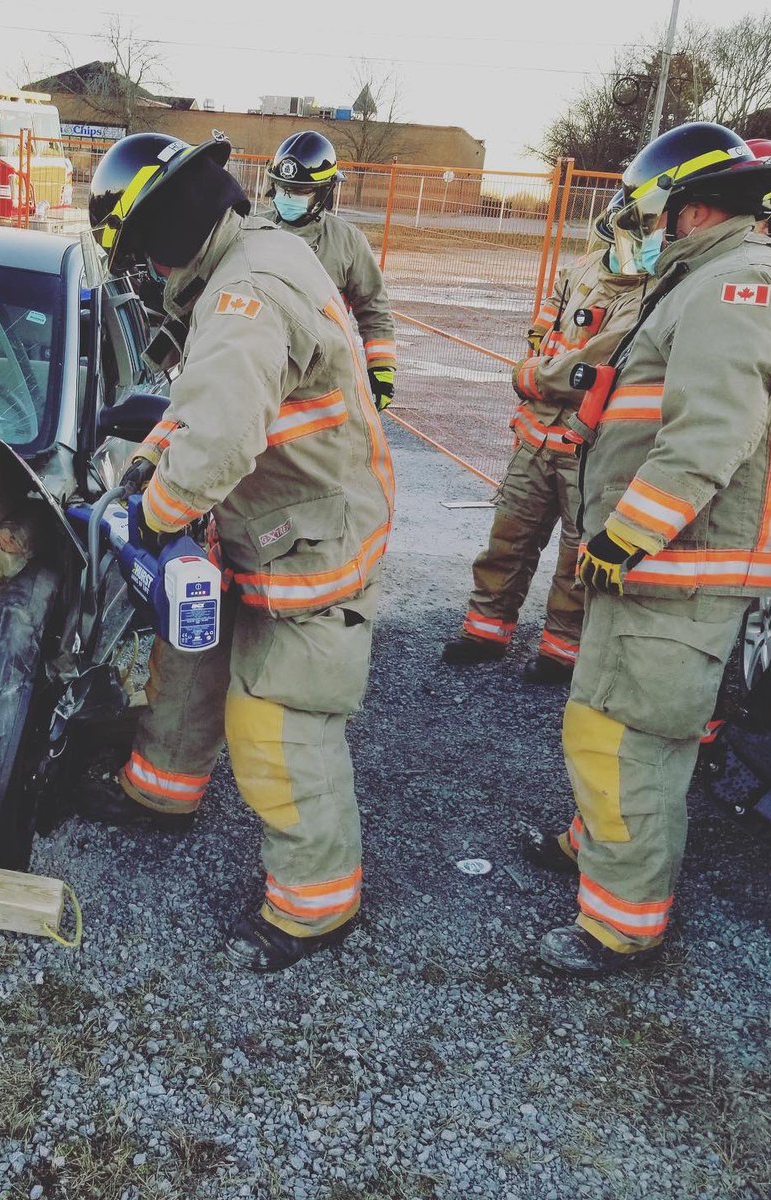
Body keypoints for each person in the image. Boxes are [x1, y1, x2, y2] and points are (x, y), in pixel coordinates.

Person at [83, 132, 395, 972]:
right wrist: (153, 458)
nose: (146, 275)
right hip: (259, 519)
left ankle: (315, 904)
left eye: (142, 256)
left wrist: (155, 513)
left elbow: (221, 432)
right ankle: (162, 792)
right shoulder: (242, 265)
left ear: (168, 232)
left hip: (309, 539)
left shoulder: (246, 290)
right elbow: (200, 398)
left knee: (279, 717)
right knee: (189, 658)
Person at [528, 122, 771, 977]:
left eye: (655, 213)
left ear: (694, 209)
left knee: (630, 740)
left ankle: (620, 925)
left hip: (676, 568)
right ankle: (594, 842)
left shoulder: (733, 285)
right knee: (602, 716)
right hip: (652, 568)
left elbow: (713, 428)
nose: (644, 230)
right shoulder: (699, 282)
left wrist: (630, 529)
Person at [441, 199, 652, 683]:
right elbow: (547, 325)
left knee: (577, 561)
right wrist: (538, 355)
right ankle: (485, 631)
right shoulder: (581, 271)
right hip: (537, 438)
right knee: (508, 540)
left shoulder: (650, 297)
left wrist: (531, 375)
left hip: (587, 450)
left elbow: (592, 367)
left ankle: (561, 651)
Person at [264, 131, 397, 411]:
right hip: (258, 367)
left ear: (325, 191)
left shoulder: (347, 241)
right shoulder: (250, 230)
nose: (288, 197)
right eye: (282, 188)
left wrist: (381, 369)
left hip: (321, 377)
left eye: (300, 191)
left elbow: (373, 307)